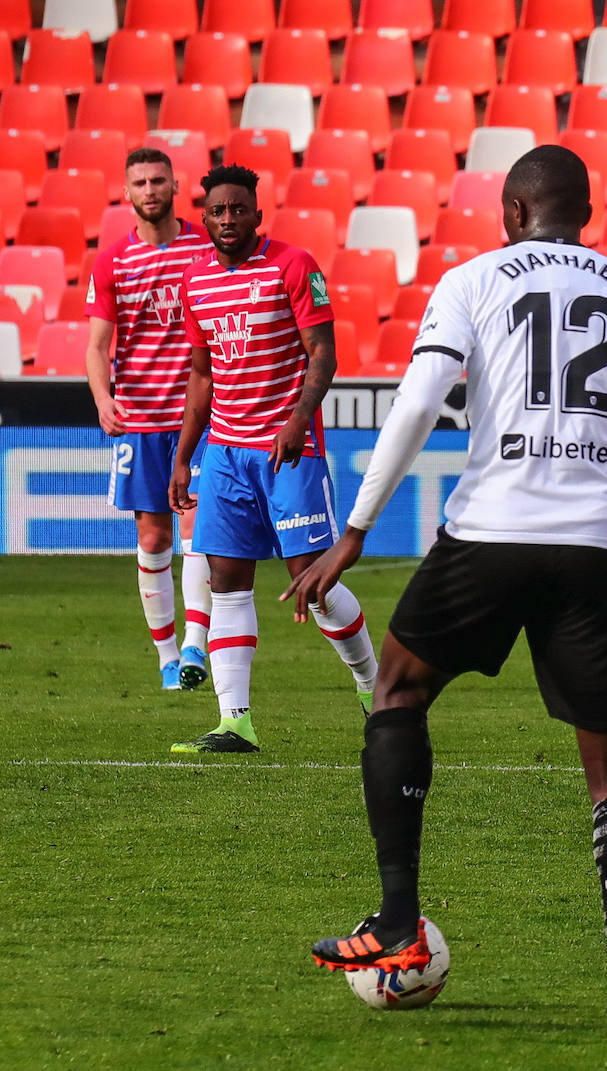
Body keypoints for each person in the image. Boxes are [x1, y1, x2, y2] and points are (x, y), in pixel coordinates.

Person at [285, 145, 607, 1042]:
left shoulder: (474, 279)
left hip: (491, 531)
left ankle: (399, 920)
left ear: (517, 213)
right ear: (583, 212)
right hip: (599, 548)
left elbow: (417, 403)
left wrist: (359, 528)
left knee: (399, 687)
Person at [167, 164, 378, 754]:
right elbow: (203, 374)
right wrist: (185, 458)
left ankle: (374, 685)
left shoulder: (293, 265)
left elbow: (323, 353)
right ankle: (235, 720)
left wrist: (295, 419)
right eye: (217, 211)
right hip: (226, 454)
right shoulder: (196, 282)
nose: (228, 219)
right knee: (226, 582)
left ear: (258, 214)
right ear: (203, 218)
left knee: (313, 581)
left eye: (239, 209)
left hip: (289, 452)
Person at [86, 147, 216, 691]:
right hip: (140, 417)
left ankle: (195, 645)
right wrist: (102, 398)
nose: (149, 189)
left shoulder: (205, 247)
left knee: (198, 525)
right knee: (154, 533)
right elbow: (97, 345)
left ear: (175, 185)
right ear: (126, 193)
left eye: (158, 180)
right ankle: (166, 659)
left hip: (201, 414)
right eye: (139, 182)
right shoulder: (112, 261)